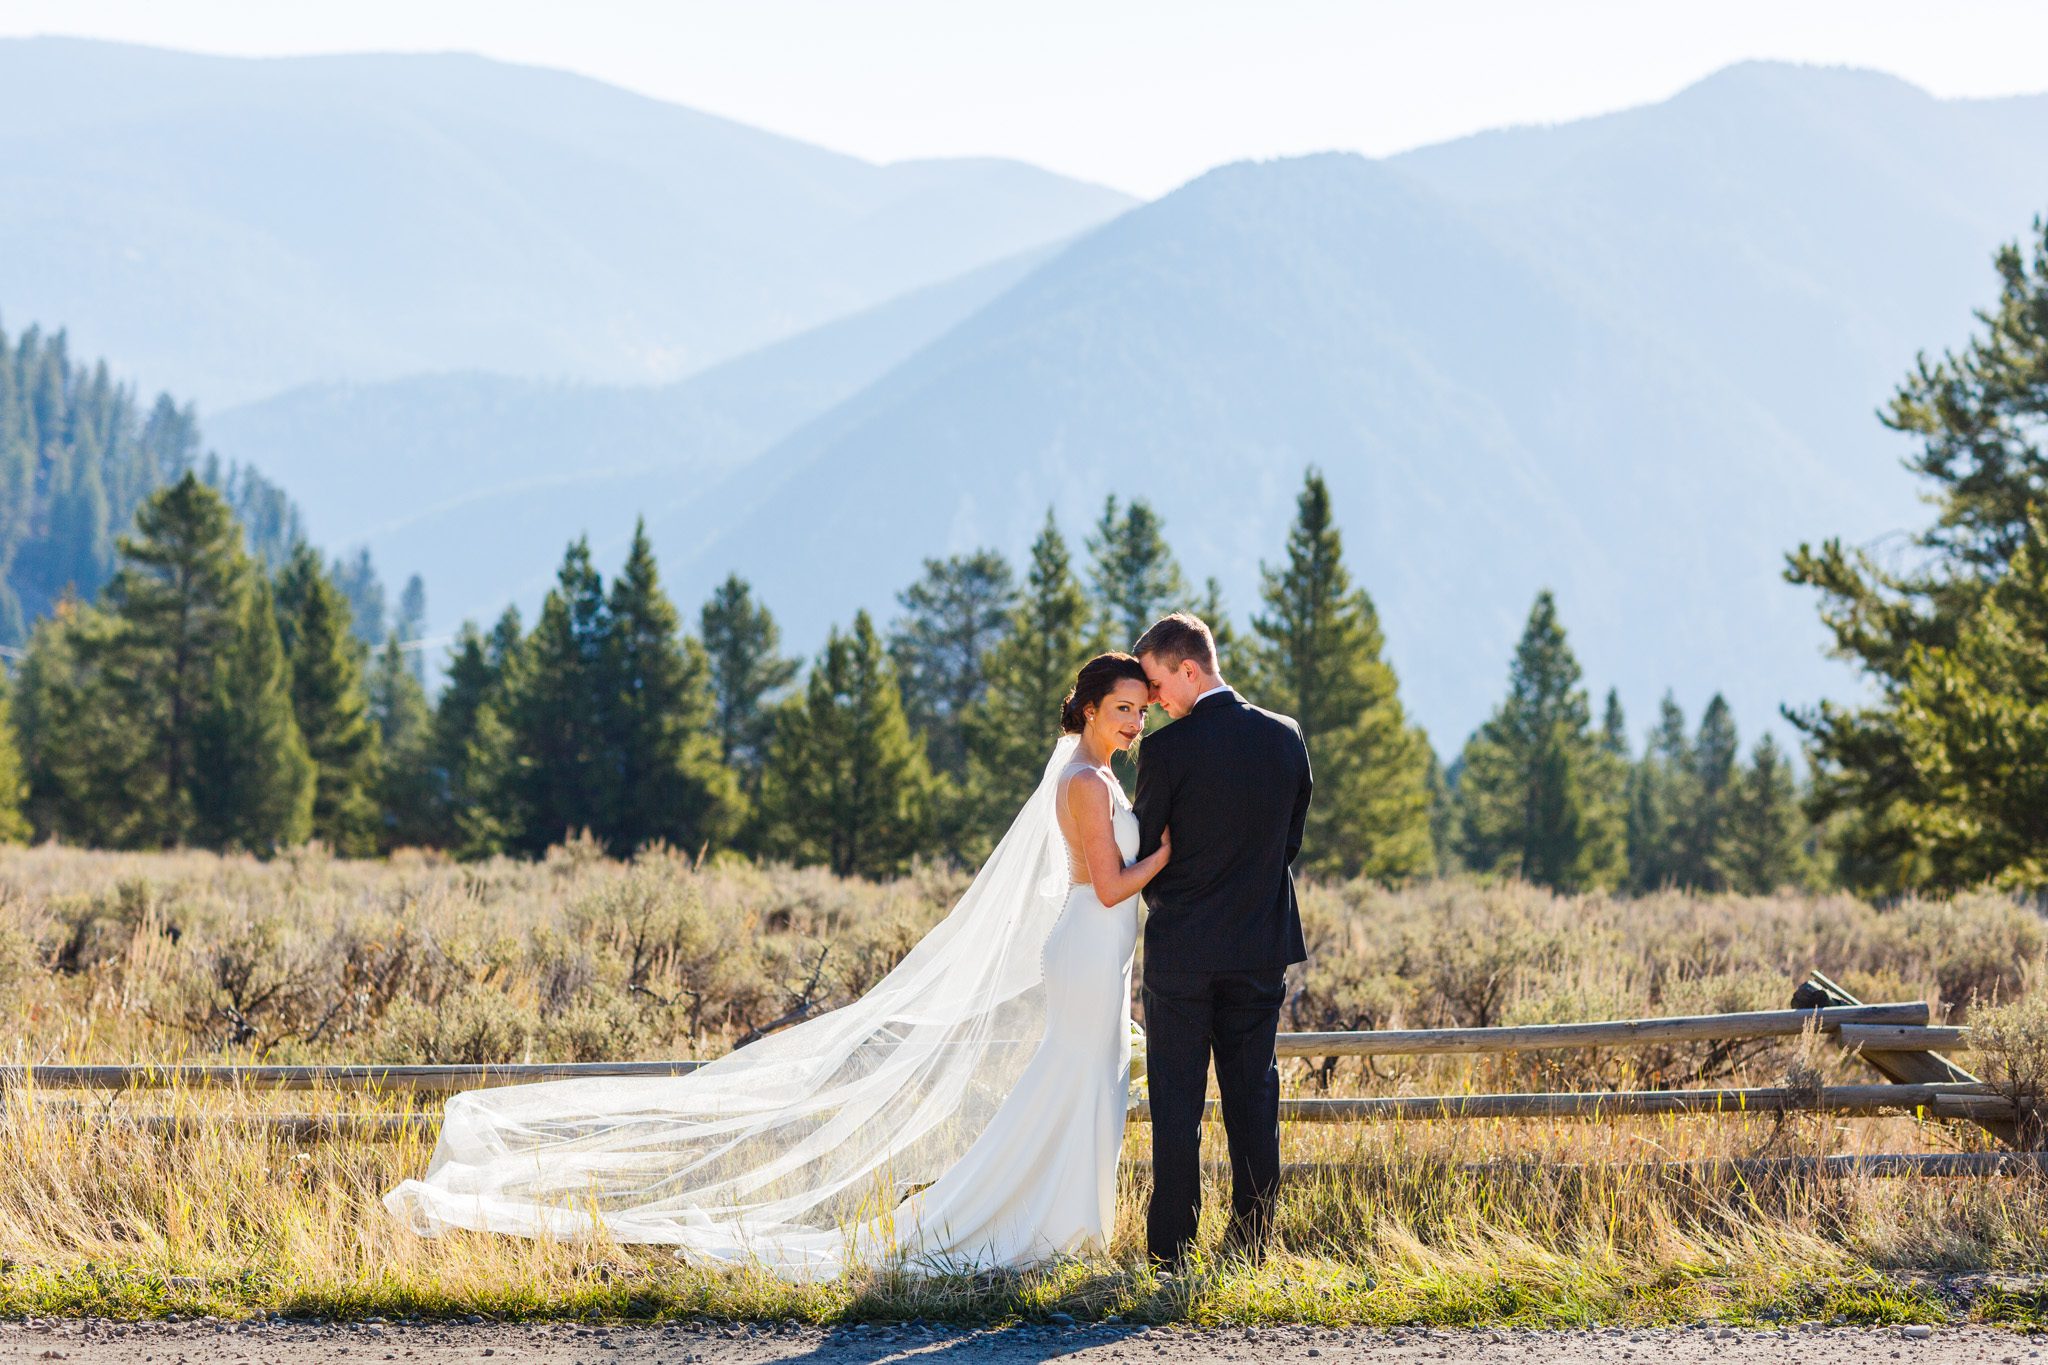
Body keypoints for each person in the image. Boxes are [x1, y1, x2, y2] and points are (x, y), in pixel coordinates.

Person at [386, 652, 1172, 1279]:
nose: (1133, 721)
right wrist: (1170, 854)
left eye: (1141, 708)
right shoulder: (1081, 781)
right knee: (1069, 1081)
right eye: (1121, 708)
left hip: (1104, 955)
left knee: (1085, 1082)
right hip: (1087, 947)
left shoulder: (1100, 775)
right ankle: (1026, 1223)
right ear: (1089, 709)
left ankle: (1068, 1224)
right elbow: (1107, 885)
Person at [1132, 612, 1312, 1269]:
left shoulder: (1169, 751)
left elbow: (1147, 845)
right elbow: (1288, 842)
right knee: (1253, 1100)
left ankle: (1171, 1252)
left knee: (1176, 1105)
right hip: (1259, 947)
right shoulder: (1285, 738)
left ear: (1189, 667)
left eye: (1155, 684)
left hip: (1182, 953)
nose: (1154, 700)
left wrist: (1175, 899)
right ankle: (1250, 1248)